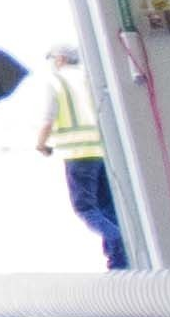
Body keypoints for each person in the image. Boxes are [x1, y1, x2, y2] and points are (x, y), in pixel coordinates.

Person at [39, 45, 127, 270]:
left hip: (78, 154)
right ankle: (121, 262)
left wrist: (41, 144)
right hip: (102, 151)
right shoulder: (90, 78)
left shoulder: (57, 82)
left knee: (85, 209)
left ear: (60, 59)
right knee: (107, 207)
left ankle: (118, 247)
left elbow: (48, 118)